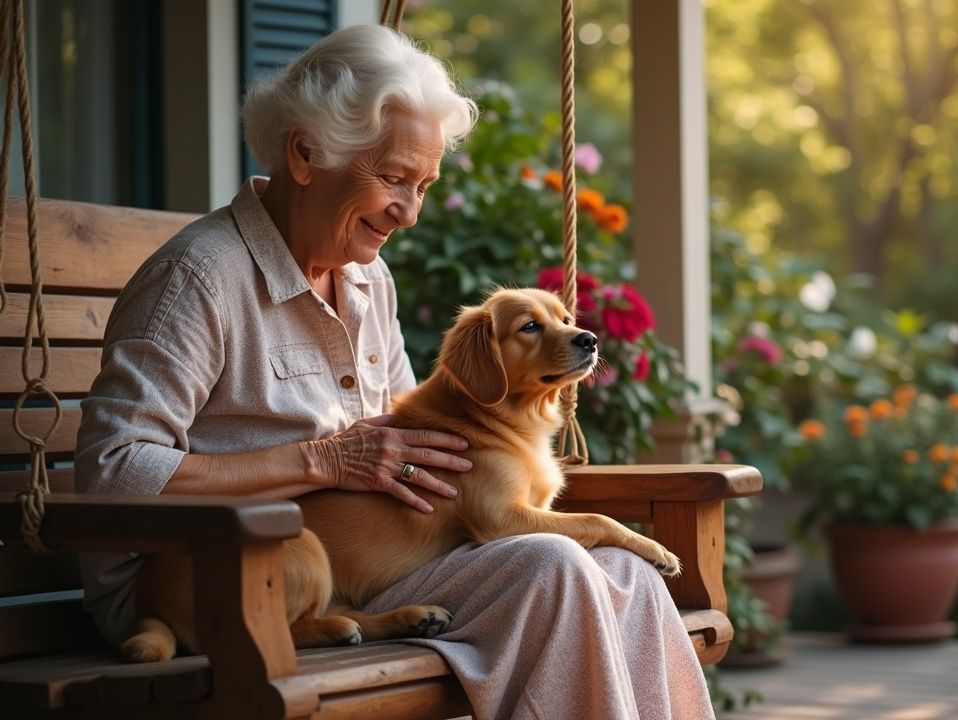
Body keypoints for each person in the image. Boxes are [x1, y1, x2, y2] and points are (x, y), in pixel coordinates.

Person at [76, 23, 715, 720]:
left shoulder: (367, 278)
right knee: (552, 567)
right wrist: (322, 460)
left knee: (625, 569)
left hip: (370, 567)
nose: (408, 214)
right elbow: (115, 472)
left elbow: (410, 440)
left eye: (423, 185)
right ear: (305, 154)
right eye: (392, 179)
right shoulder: (198, 280)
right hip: (217, 580)